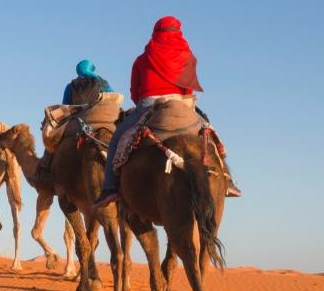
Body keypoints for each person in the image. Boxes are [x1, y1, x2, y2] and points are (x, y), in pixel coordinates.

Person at [94, 16, 240, 207]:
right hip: (181, 102)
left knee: (116, 139)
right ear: (179, 33)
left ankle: (110, 188)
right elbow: (188, 90)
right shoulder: (187, 57)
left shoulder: (142, 59)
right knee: (208, 134)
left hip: (149, 104)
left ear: (155, 34)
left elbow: (134, 92)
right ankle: (227, 180)